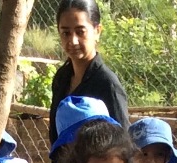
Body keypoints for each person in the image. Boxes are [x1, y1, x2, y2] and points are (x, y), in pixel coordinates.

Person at [49, 0, 128, 148]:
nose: (73, 41)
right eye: (66, 33)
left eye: (80, 32)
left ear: (97, 31)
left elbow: (122, 145)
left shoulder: (107, 84)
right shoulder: (61, 78)